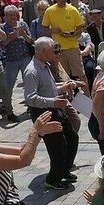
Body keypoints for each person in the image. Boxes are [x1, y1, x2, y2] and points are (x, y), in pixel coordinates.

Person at [23, 38, 81, 190]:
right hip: (44, 113)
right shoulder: (32, 71)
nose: (55, 53)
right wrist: (52, 101)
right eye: (52, 50)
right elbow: (30, 98)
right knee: (57, 147)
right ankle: (53, 179)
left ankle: (64, 170)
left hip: (55, 109)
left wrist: (63, 88)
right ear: (43, 51)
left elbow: (49, 87)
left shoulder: (45, 66)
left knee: (72, 137)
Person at [1, 5, 35, 91]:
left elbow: (31, 41)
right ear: (6, 16)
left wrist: (24, 35)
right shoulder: (3, 27)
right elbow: (2, 45)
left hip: (25, 58)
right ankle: (6, 99)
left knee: (29, 82)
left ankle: (30, 97)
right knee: (8, 85)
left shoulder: (23, 24)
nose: (13, 17)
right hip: (11, 59)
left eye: (14, 14)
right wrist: (11, 37)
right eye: (10, 15)